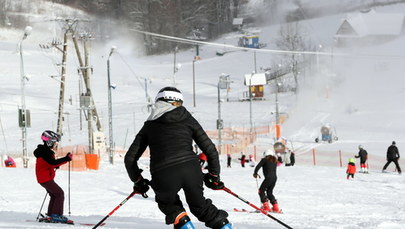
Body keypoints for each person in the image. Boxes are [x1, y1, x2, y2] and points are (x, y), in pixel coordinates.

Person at [125, 87, 232, 229]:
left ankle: (182, 222)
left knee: (169, 205)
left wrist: (138, 181)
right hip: (191, 170)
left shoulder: (149, 125)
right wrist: (213, 176)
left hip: (163, 174)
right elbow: (210, 150)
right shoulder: (188, 119)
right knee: (200, 207)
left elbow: (129, 159)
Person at [33, 130, 73, 224]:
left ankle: (51, 214)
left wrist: (56, 164)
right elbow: (52, 163)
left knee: (54, 194)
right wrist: (66, 159)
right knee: (59, 193)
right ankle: (56, 215)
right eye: (54, 142)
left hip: (44, 178)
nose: (55, 145)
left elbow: (49, 164)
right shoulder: (45, 152)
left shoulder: (44, 151)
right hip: (45, 178)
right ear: (49, 142)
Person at [253, 149, 281, 213]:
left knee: (261, 191)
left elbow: (258, 166)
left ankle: (266, 207)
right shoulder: (274, 160)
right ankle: (275, 207)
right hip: (274, 178)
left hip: (268, 178)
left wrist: (255, 173)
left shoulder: (264, 160)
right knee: (269, 192)